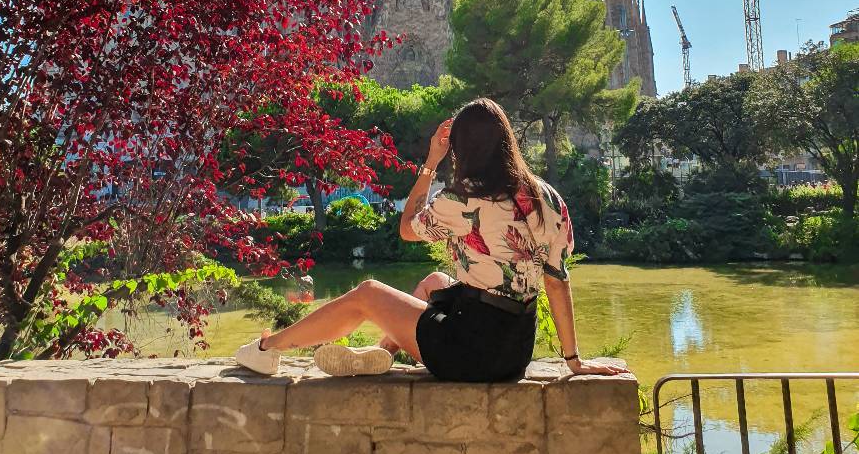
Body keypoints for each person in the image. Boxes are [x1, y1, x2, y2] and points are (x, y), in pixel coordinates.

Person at [235, 98, 623, 381]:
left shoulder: (462, 198)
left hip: (470, 353)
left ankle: (268, 349)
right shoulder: (546, 197)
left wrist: (431, 162)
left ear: (462, 148)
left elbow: (406, 227)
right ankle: (380, 352)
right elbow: (557, 282)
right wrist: (575, 360)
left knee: (368, 292)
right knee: (436, 283)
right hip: (514, 349)